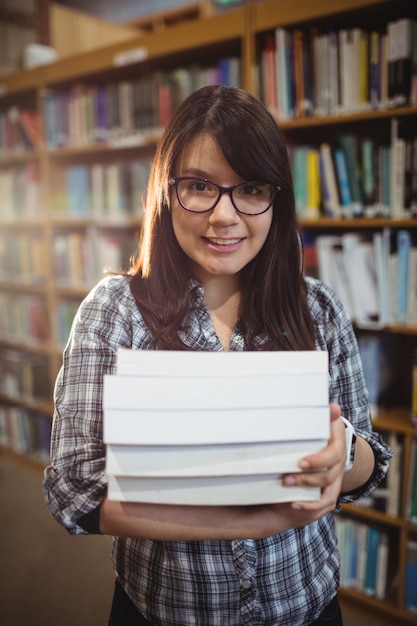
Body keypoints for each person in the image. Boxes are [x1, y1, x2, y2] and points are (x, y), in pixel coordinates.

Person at [43, 85, 392, 626]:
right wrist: (251, 519)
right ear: (165, 190)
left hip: (307, 606)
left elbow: (370, 463)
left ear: (276, 199)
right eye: (200, 187)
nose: (224, 216)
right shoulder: (113, 312)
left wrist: (342, 455)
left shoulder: (317, 308)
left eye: (249, 189)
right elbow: (72, 488)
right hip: (165, 611)